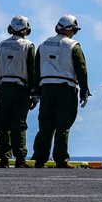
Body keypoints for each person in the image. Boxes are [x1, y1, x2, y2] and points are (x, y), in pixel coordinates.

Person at [31, 15, 91, 168]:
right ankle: (61, 159)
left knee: (45, 124)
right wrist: (84, 89)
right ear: (73, 30)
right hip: (66, 88)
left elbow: (36, 70)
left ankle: (39, 158)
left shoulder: (43, 45)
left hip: (46, 88)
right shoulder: (73, 46)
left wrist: (37, 91)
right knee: (63, 125)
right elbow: (81, 69)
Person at [0, 15, 37, 168]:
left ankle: (4, 159)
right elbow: (32, 71)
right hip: (21, 89)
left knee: (2, 125)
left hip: (3, 88)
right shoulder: (28, 46)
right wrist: (34, 93)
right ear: (27, 29)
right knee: (19, 124)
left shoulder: (0, 46)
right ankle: (20, 159)